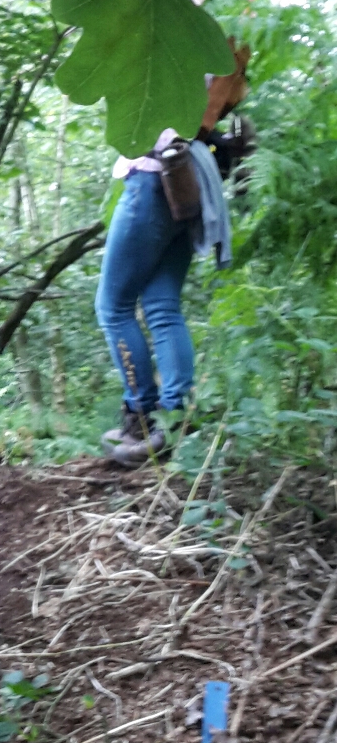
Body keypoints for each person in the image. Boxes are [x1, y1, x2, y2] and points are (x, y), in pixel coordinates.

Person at [96, 41, 251, 468]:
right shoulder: (230, 55)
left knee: (113, 307)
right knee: (163, 306)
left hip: (153, 177)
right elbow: (221, 108)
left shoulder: (179, 47)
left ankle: (140, 417)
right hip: (190, 180)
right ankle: (174, 418)